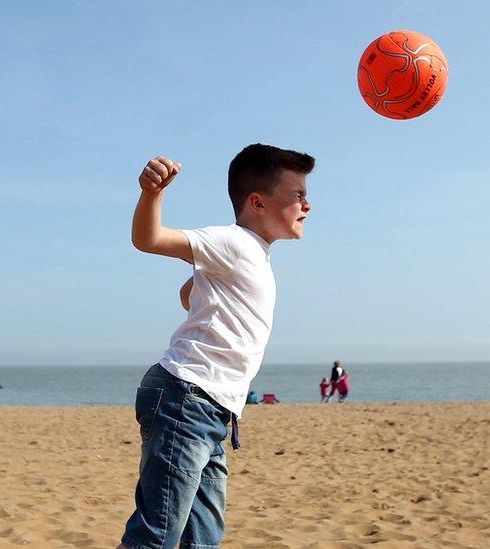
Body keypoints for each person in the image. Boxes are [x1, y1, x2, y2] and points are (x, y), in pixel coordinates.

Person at [119, 144, 315, 548]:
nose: (307, 205)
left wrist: (205, 292)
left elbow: (188, 294)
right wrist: (152, 193)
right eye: (298, 195)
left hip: (210, 410)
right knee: (156, 536)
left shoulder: (253, 256)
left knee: (203, 539)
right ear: (257, 202)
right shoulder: (234, 242)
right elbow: (149, 239)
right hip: (185, 399)